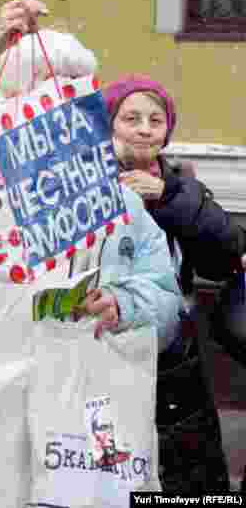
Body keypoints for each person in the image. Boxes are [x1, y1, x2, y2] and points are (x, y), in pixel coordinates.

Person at [0, 0, 183, 507]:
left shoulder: (109, 193)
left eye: (67, 94)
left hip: (79, 381)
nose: (50, 108)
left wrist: (124, 304)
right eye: (35, 91)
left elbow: (160, 288)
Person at [104, 75, 246, 492]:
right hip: (109, 343)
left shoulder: (182, 183)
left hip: (176, 352)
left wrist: (167, 197)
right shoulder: (88, 184)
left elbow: (226, 254)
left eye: (156, 119)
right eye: (131, 118)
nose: (145, 128)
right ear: (109, 125)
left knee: (191, 478)